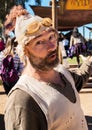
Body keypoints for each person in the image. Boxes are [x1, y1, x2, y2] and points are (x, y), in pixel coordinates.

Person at [4, 11, 92, 130]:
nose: (52, 46)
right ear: (25, 51)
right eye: (39, 42)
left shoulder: (61, 72)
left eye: (51, 37)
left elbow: (79, 79)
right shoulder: (23, 100)